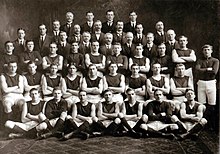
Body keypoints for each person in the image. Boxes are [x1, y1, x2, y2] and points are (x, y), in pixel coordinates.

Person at [195, 44, 219, 130]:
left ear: (211, 51)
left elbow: (214, 72)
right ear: (202, 51)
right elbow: (197, 70)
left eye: (208, 50)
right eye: (205, 50)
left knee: (211, 104)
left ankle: (211, 124)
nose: (206, 51)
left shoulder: (215, 61)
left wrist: (204, 70)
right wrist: (208, 69)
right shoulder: (199, 60)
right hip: (201, 83)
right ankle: (202, 125)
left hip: (211, 83)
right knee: (202, 104)